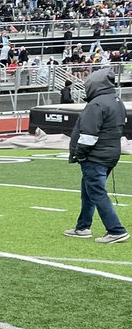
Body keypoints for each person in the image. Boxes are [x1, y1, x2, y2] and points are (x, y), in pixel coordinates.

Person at [64, 67, 128, 243]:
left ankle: (116, 230)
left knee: (96, 192)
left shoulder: (97, 104)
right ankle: (83, 227)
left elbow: (89, 134)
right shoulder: (116, 101)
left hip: (96, 156)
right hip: (110, 154)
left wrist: (80, 154)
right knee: (89, 191)